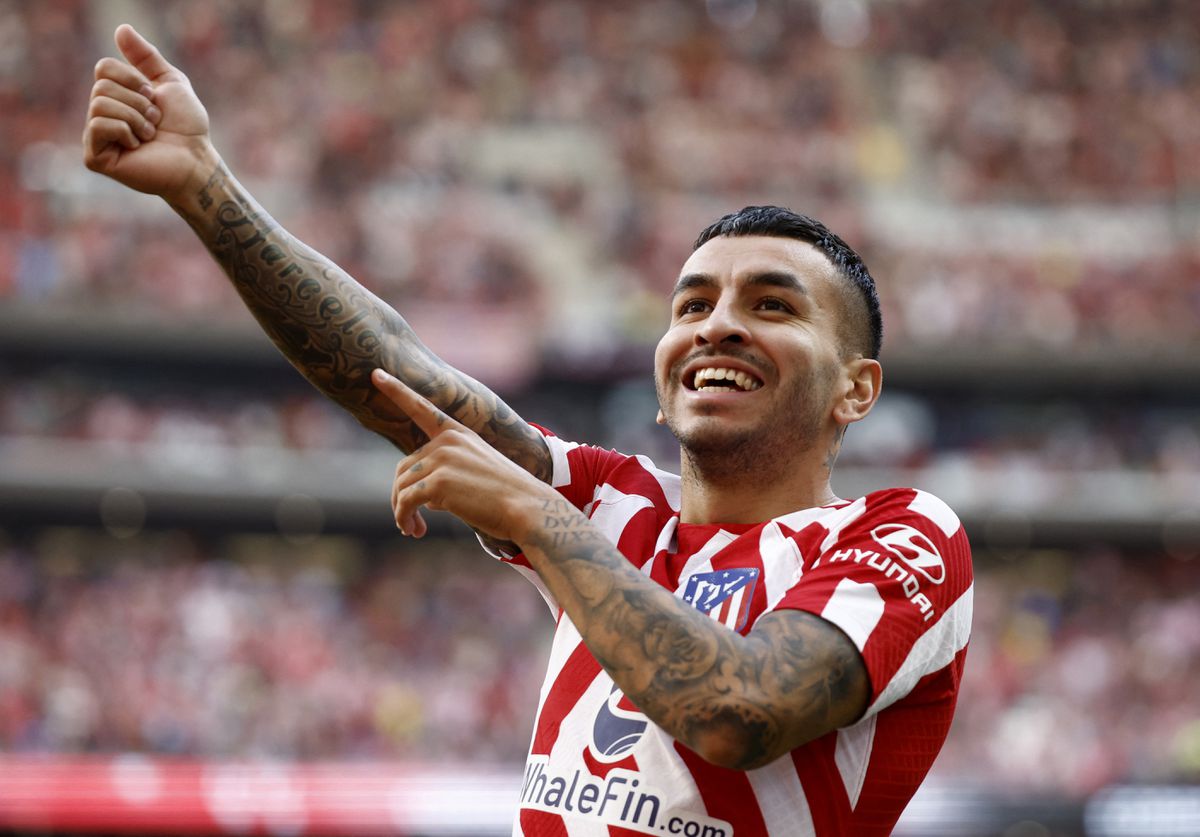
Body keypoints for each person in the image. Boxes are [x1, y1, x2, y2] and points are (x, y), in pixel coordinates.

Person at [84, 24, 972, 836]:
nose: (717, 325)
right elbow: (399, 373)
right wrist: (205, 184)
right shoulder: (619, 503)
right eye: (691, 303)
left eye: (771, 304)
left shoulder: (900, 534)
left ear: (856, 390)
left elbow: (738, 710)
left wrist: (539, 517)